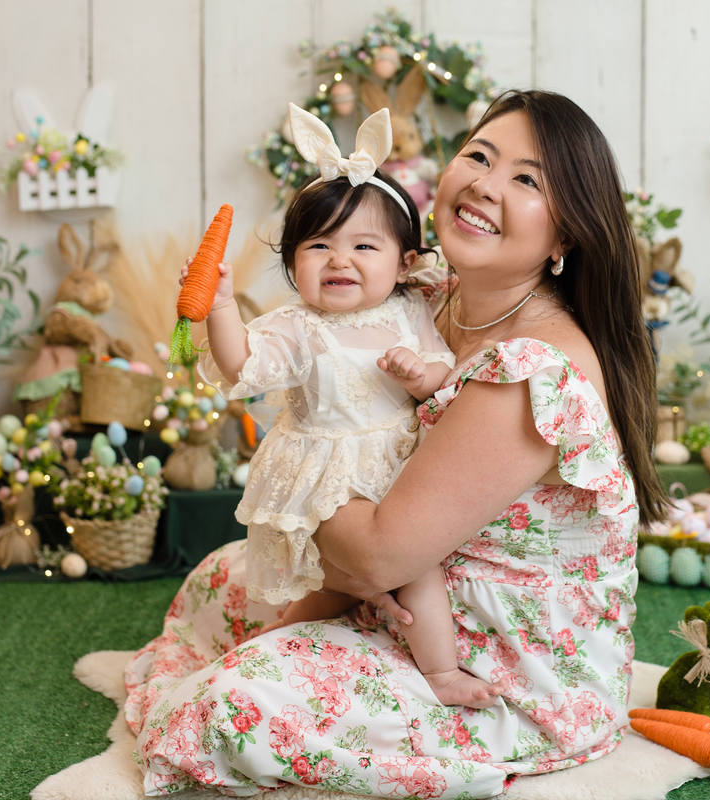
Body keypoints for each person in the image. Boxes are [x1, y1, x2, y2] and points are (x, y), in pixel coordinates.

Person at [123, 90, 667, 798]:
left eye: (526, 180)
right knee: (220, 581)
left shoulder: (535, 369)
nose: (484, 184)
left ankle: (437, 705)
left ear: (565, 237)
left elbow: (379, 550)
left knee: (230, 705)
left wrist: (306, 498)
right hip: (405, 588)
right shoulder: (429, 297)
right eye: (479, 155)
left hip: (490, 663)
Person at [190, 104, 504, 709]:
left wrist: (421, 377)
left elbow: (442, 372)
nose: (340, 259)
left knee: (404, 567)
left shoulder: (408, 309)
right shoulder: (296, 328)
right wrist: (222, 305)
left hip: (400, 471)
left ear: (404, 262)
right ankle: (278, 647)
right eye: (318, 246)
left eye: (364, 245)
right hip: (328, 476)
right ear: (292, 263)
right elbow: (239, 368)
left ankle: (435, 671)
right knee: (355, 577)